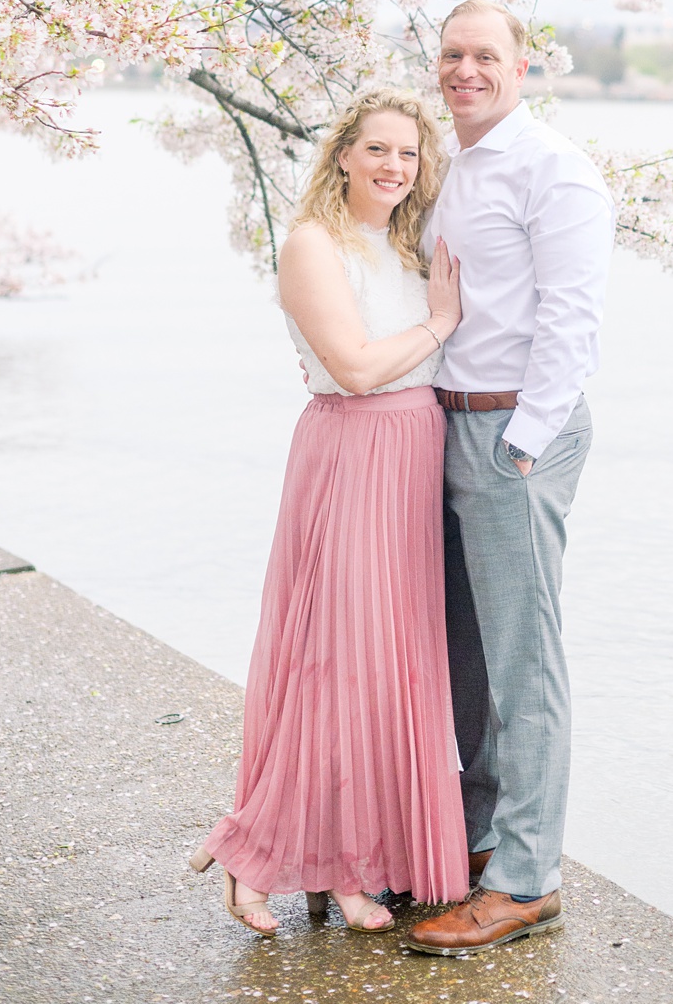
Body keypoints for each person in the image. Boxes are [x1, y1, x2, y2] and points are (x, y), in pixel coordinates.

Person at [189, 87, 469, 935]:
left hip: (414, 451)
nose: (393, 166)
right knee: (333, 658)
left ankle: (354, 862)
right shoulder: (315, 244)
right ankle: (259, 854)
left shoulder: (405, 249)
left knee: (388, 665)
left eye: (409, 154)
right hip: (352, 451)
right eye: (377, 149)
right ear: (343, 153)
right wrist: (445, 321)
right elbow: (352, 366)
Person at [404, 0, 614, 956]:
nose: (465, 70)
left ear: (522, 68)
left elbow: (572, 323)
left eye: (485, 55)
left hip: (510, 439)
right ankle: (481, 842)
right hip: (444, 429)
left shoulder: (553, 170)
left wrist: (520, 448)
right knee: (465, 657)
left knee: (525, 664)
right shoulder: (449, 167)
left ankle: (527, 880)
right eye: (452, 54)